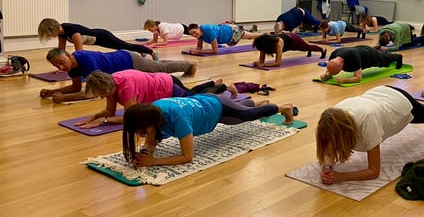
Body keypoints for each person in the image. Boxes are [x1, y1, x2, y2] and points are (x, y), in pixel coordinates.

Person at [316, 85, 424, 184]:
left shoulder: (367, 121)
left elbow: (374, 171)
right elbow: (327, 148)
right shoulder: (331, 119)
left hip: (399, 101)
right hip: (377, 95)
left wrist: (340, 177)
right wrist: (327, 167)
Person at [122, 93, 297, 167]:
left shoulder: (179, 120)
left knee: (246, 117)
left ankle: (284, 108)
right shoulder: (153, 111)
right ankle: (256, 103)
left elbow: (187, 157)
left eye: (141, 131)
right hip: (206, 102)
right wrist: (145, 152)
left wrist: (154, 162)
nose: (141, 135)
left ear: (150, 122)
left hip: (216, 107)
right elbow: (152, 139)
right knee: (237, 114)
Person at [78, 69, 231, 128]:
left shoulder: (126, 87)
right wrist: (94, 117)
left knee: (196, 100)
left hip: (167, 86)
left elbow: (131, 118)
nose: (101, 97)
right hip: (161, 82)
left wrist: (104, 121)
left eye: (101, 94)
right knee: (190, 92)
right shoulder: (111, 84)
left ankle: (225, 88)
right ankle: (213, 83)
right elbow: (110, 111)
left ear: (107, 88)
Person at [39, 48, 197, 103]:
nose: (60, 67)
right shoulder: (72, 67)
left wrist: (64, 99)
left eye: (61, 62)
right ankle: (182, 64)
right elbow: (75, 87)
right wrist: (52, 93)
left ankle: (189, 64)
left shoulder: (86, 60)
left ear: (68, 54)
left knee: (160, 69)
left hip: (128, 60)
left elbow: (93, 93)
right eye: (56, 66)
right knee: (157, 66)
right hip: (124, 69)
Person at [38, 18, 155, 57]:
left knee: (124, 46)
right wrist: (60, 65)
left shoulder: (73, 32)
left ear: (54, 29)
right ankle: (141, 52)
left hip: (103, 36)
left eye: (48, 34)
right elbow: (62, 51)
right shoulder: (62, 32)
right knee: (125, 47)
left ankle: (152, 52)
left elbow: (80, 54)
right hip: (97, 40)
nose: (49, 37)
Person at [320, 45, 403, 84]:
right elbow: (330, 71)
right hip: (358, 49)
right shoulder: (334, 56)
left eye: (337, 72)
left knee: (385, 61)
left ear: (341, 66)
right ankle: (379, 49)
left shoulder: (353, 58)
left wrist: (344, 80)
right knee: (383, 57)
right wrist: (326, 75)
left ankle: (398, 57)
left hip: (370, 55)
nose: (334, 74)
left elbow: (358, 78)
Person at [252, 32, 326, 67]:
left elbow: (277, 63)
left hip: (293, 40)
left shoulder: (278, 43)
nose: (261, 51)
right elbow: (261, 60)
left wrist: (263, 65)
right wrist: (257, 62)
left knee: (307, 47)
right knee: (306, 48)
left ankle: (322, 49)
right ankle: (309, 51)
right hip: (286, 38)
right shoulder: (263, 45)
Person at [187, 23, 260, 54]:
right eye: (191, 34)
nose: (194, 35)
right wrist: (196, 50)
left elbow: (215, 50)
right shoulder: (200, 34)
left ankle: (264, 36)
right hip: (228, 32)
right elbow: (199, 47)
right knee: (249, 36)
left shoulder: (209, 32)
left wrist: (199, 52)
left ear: (198, 28)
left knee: (251, 36)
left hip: (233, 32)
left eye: (194, 32)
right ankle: (255, 35)